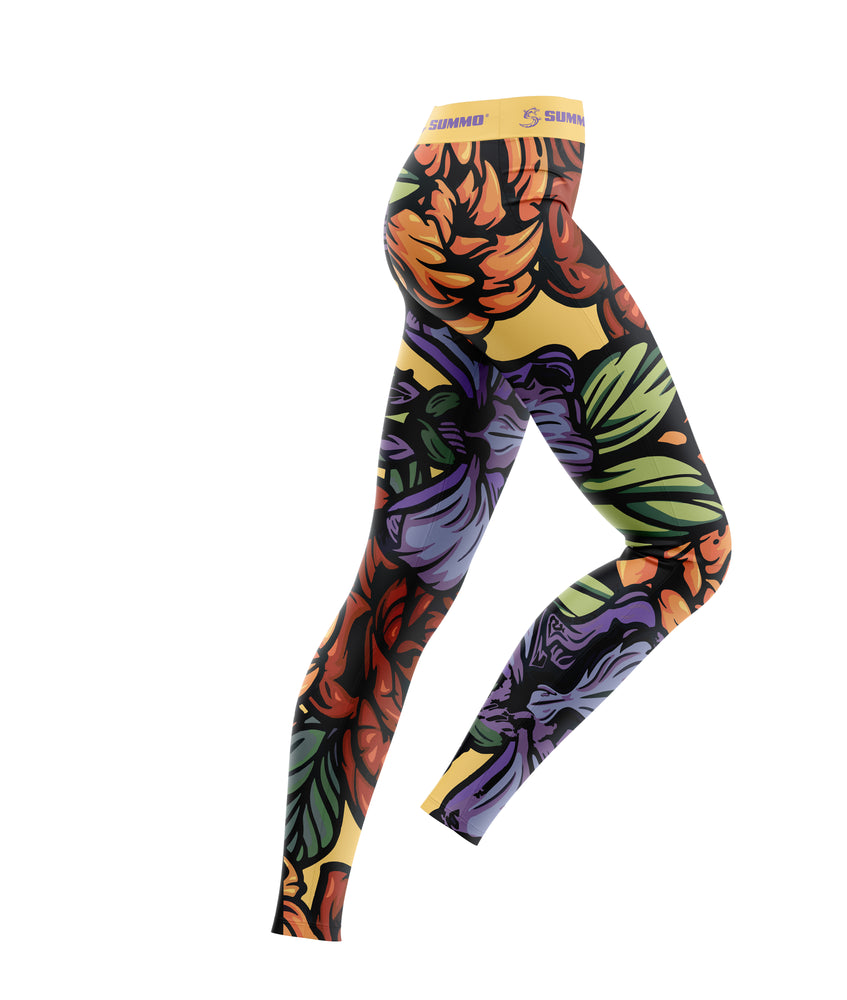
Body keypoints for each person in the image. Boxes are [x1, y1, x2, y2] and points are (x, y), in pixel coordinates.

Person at [270, 95, 733, 941]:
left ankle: (305, 922)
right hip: (503, 225)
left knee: (403, 585)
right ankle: (457, 817)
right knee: (690, 548)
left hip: (438, 205)